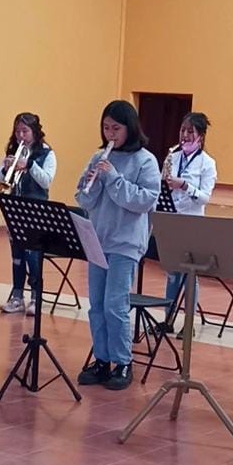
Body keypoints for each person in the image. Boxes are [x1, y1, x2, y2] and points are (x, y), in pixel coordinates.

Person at [74, 100, 160, 391]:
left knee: (115, 305)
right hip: (97, 239)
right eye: (106, 127)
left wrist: (113, 178)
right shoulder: (99, 156)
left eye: (116, 128)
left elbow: (143, 201)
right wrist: (92, 182)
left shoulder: (146, 160)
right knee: (96, 305)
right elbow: (84, 200)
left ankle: (123, 362)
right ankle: (102, 359)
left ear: (130, 128)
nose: (110, 133)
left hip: (125, 243)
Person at [0, 113, 56, 316]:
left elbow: (46, 181)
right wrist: (5, 168)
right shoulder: (14, 150)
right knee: (17, 255)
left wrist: (28, 165)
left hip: (37, 210)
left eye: (25, 131)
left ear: (35, 132)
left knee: (34, 256)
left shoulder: (47, 153)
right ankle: (17, 296)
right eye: (17, 131)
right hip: (16, 209)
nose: (20, 135)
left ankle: (36, 297)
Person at [161, 112, 217, 329]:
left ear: (200, 136)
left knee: (189, 274)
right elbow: (162, 186)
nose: (184, 135)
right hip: (172, 221)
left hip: (193, 223)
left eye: (190, 131)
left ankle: (189, 323)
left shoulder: (207, 163)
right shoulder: (172, 157)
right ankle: (168, 318)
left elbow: (205, 197)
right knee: (172, 272)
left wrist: (184, 185)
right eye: (182, 130)